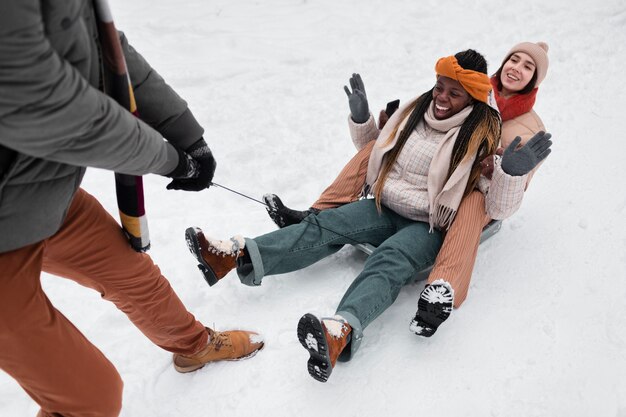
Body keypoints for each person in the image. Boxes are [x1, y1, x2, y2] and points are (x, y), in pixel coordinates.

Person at [185, 49, 549, 382]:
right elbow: (375, 151)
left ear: (471, 97)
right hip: (385, 204)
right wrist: (362, 119)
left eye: (454, 94)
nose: (442, 97)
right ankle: (235, 256)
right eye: (440, 87)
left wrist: (510, 175)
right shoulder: (414, 112)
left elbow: (493, 207)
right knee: (326, 224)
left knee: (390, 261)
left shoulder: (482, 134)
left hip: (429, 223)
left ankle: (340, 331)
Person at [0, 1, 263, 416]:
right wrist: (169, 160)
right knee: (91, 399)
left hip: (32, 193)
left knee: (131, 274)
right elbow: (49, 106)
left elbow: (101, 46)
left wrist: (185, 132)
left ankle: (193, 346)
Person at [263, 41, 552, 337]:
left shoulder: (521, 126)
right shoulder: (451, 97)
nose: (517, 68)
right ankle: (301, 223)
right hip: (416, 194)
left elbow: (500, 203)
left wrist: (510, 172)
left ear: (535, 80)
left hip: (467, 201)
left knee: (472, 202)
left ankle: (442, 288)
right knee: (377, 151)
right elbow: (390, 152)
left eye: (528, 66)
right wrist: (371, 124)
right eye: (514, 60)